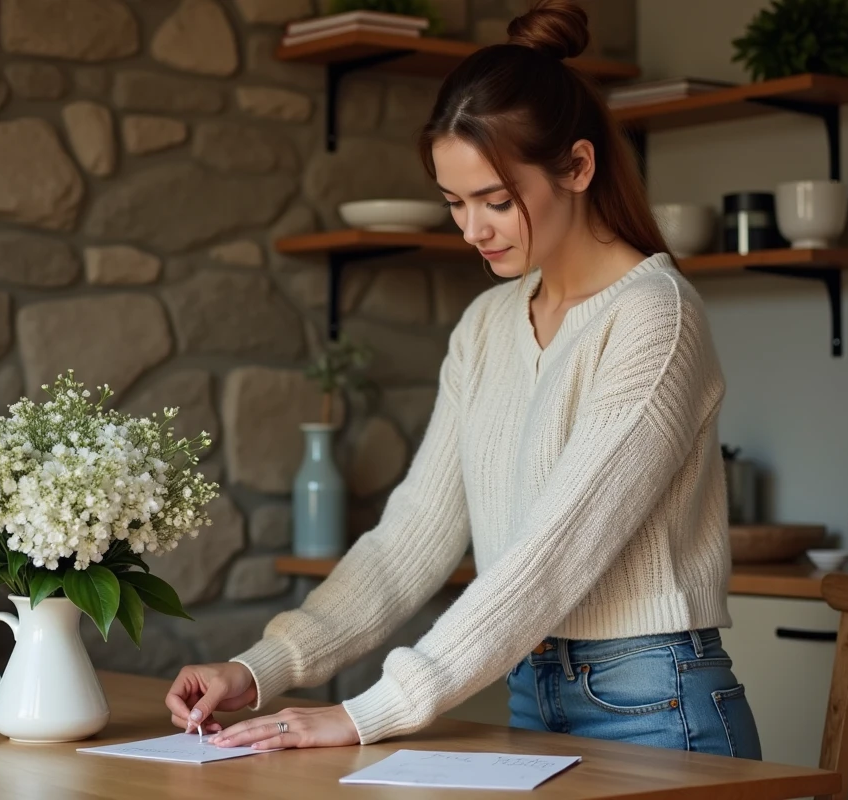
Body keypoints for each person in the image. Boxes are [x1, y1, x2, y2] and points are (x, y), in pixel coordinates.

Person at [165, 0, 762, 760]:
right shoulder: (486, 325)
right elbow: (411, 534)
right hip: (528, 687)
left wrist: (367, 712)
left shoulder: (655, 319)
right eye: (455, 203)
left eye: (496, 201)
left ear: (578, 166)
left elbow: (552, 557)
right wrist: (260, 669)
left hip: (656, 701)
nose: (473, 230)